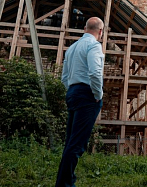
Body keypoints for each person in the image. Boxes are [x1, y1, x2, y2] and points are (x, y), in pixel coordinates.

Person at [55, 17, 105, 187]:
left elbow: (64, 77)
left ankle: (65, 180)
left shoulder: (72, 48)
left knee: (71, 141)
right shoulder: (94, 46)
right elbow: (95, 72)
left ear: (85, 29)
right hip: (87, 94)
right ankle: (65, 184)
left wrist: (72, 90)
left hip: (73, 92)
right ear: (100, 31)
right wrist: (97, 94)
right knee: (77, 143)